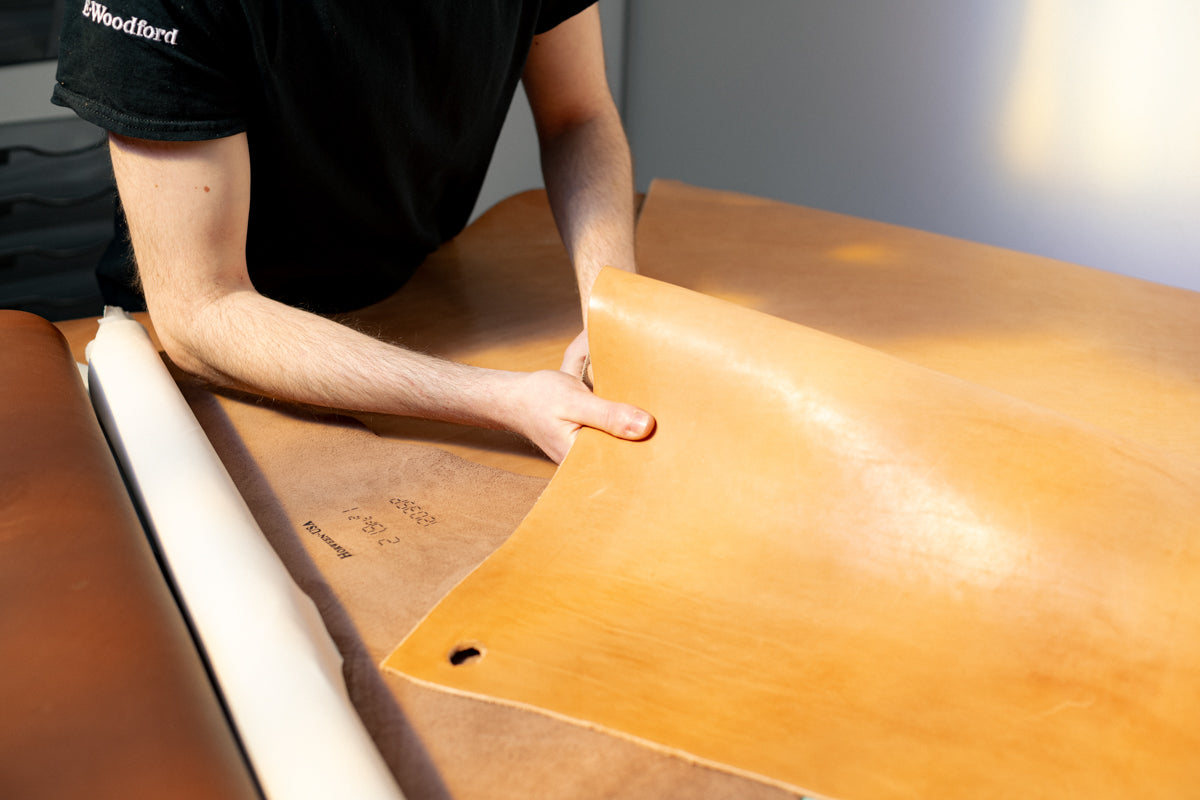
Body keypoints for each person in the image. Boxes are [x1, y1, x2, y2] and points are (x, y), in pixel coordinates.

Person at [52, 1, 654, 463]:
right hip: (226, 355)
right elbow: (200, 313)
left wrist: (611, 306)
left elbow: (579, 114)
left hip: (421, 293)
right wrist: (505, 401)